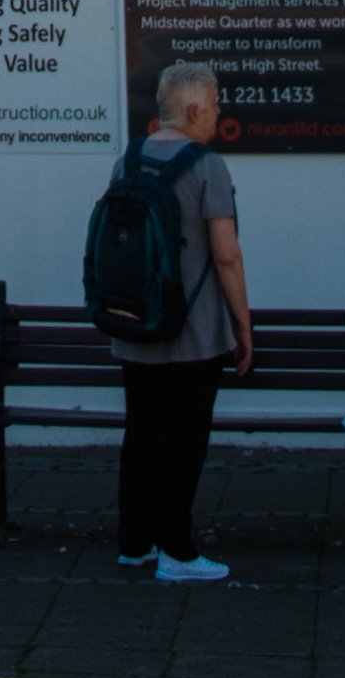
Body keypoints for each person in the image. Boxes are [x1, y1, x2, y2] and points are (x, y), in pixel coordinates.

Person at [97, 60, 251, 587]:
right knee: (184, 441)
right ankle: (178, 551)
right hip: (193, 331)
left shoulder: (128, 160)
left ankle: (134, 543)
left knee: (141, 434)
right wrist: (243, 325)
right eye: (214, 104)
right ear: (191, 110)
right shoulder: (208, 167)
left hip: (135, 323)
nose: (218, 112)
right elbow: (226, 256)